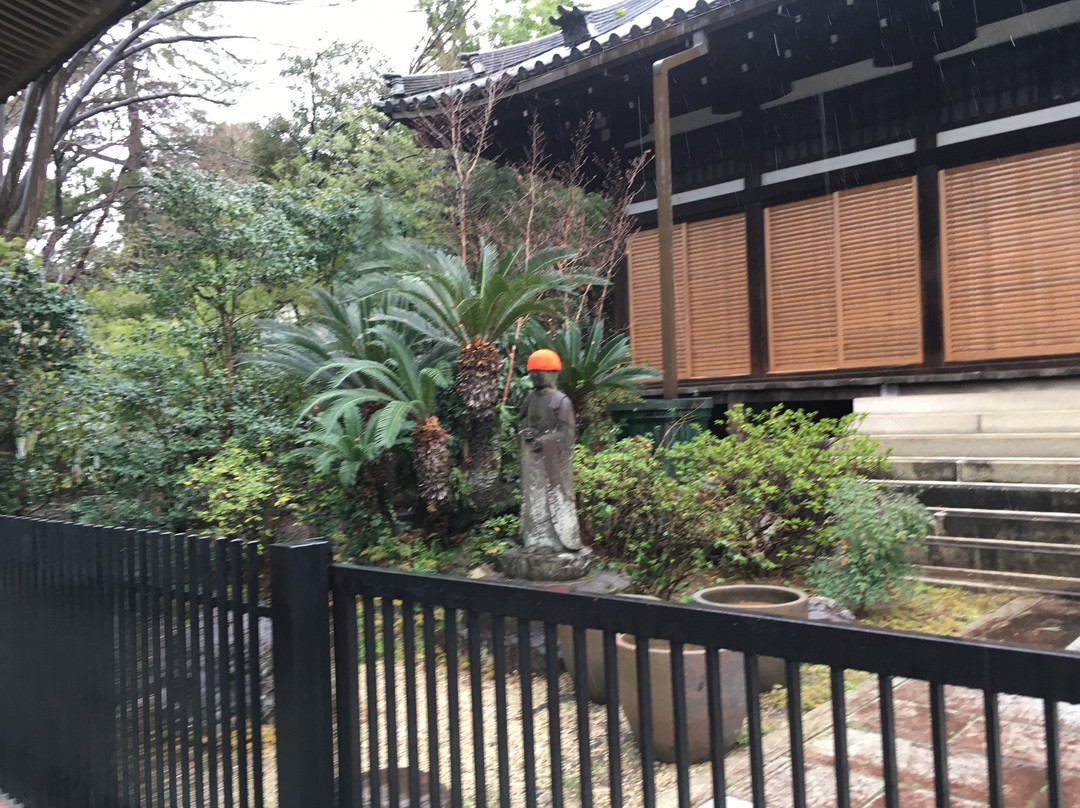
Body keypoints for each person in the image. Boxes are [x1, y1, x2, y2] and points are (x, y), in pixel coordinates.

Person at [517, 349, 584, 553]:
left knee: (551, 499)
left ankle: (555, 542)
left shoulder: (561, 401)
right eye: (533, 373)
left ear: (552, 373)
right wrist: (525, 434)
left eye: (540, 372)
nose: (536, 377)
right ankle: (534, 540)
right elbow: (521, 422)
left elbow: (567, 435)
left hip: (552, 463)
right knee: (533, 499)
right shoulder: (529, 399)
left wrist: (544, 440)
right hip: (532, 462)